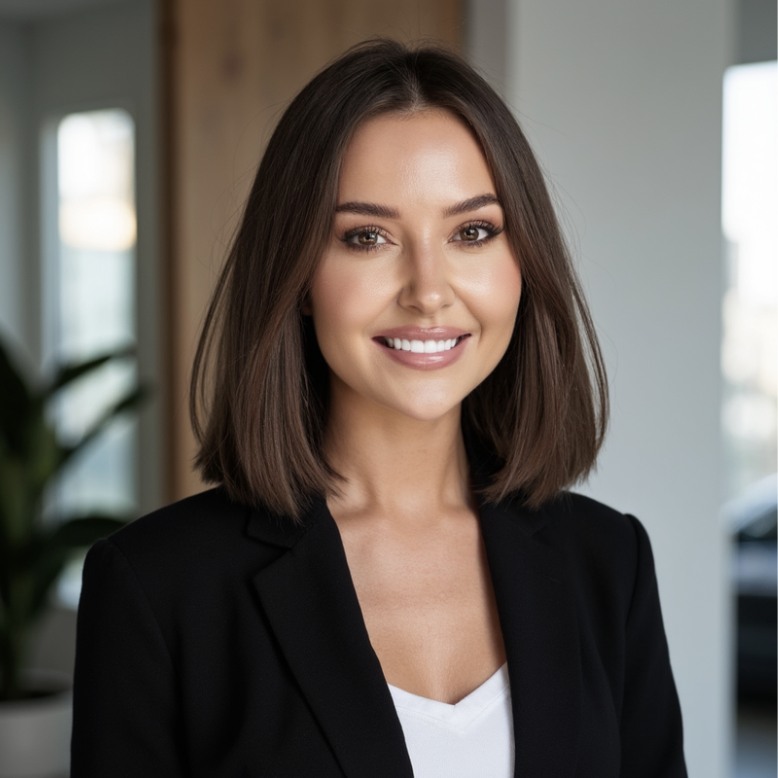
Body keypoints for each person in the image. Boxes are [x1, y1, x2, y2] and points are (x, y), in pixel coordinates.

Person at [71, 39, 687, 778]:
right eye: (367, 237)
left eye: (472, 232)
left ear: (524, 263)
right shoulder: (156, 588)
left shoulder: (609, 562)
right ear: (297, 275)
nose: (428, 289)